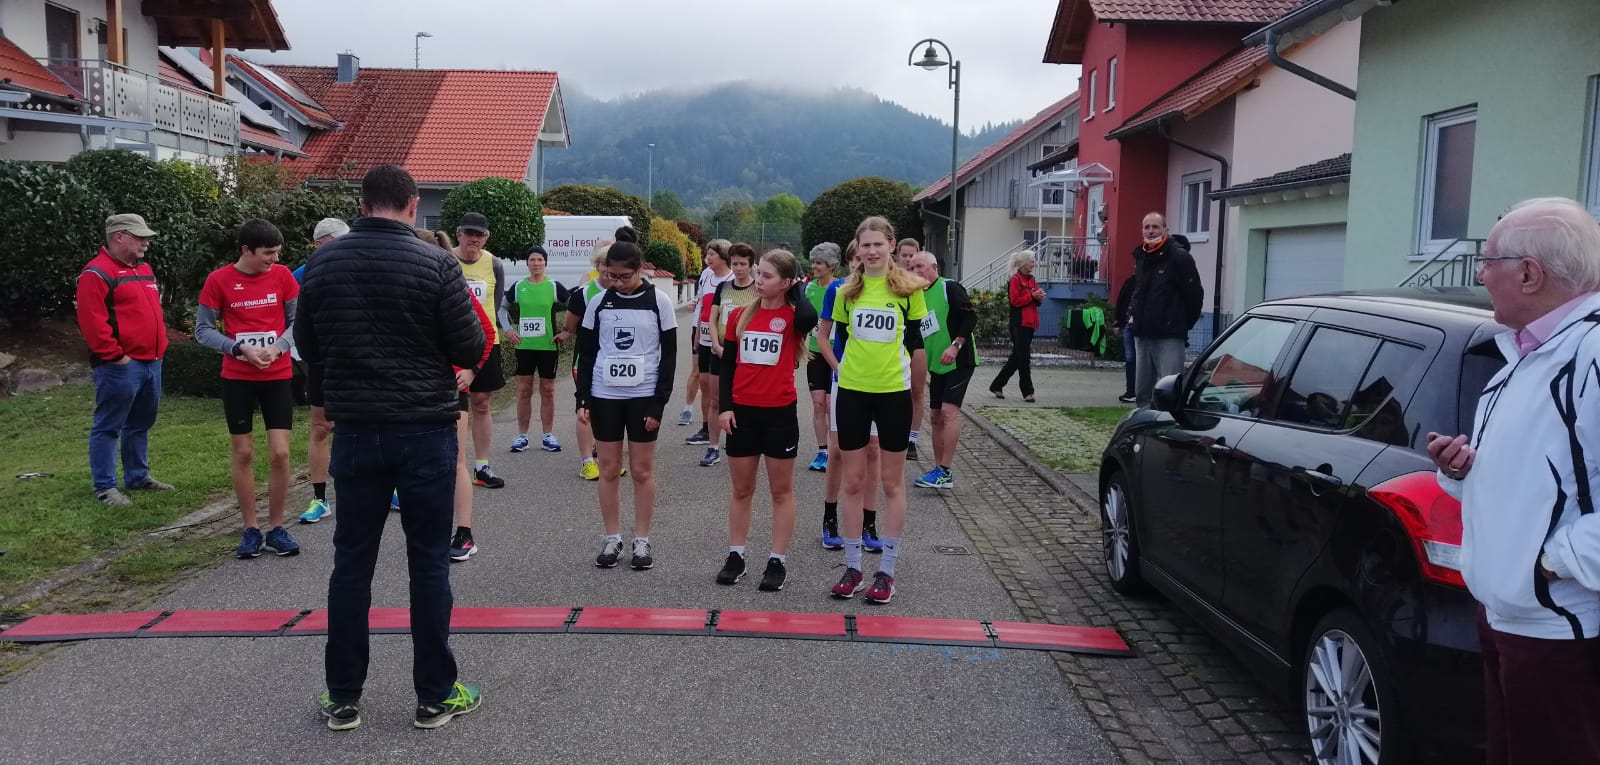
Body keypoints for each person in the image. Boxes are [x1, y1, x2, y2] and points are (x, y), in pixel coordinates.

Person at [297, 165, 485, 731]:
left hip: (357, 428)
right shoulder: (437, 263)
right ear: (412, 204)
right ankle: (435, 695)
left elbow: (308, 344)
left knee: (352, 563)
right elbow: (468, 344)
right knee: (428, 562)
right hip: (425, 426)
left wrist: (333, 392)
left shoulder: (323, 263)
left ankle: (343, 695)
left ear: (361, 204)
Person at [1426, 197, 1600, 764]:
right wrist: (1460, 472)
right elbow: (1540, 478)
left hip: (1559, 629)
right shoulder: (1525, 356)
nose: (1480, 274)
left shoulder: (1591, 354)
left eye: (1488, 260)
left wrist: (1551, 561)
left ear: (1529, 273)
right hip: (1508, 613)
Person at [818, 216, 927, 604]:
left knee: (892, 483)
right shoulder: (846, 291)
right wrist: (839, 369)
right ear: (858, 249)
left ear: (891, 245)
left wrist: (918, 391)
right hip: (852, 393)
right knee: (852, 482)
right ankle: (853, 568)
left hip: (893, 394)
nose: (872, 250)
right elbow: (831, 338)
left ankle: (887, 572)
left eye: (878, 244)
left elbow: (916, 344)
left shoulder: (910, 289)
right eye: (865, 245)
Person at [195, 218, 301, 558]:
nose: (274, 259)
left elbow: (298, 322)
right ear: (246, 250)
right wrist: (238, 348)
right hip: (238, 378)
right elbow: (202, 330)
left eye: (277, 252)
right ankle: (251, 529)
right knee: (243, 453)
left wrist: (278, 348)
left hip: (277, 375)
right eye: (268, 253)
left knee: (280, 453)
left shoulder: (283, 277)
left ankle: (277, 527)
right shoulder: (219, 280)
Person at [714, 249, 818, 591]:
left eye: (768, 276)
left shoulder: (794, 316)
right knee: (742, 489)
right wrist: (725, 407)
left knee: (780, 491)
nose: (758, 280)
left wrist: (798, 287)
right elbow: (727, 364)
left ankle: (777, 560)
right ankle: (736, 555)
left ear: (786, 282)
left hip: (779, 414)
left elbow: (810, 316)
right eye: (758, 273)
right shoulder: (740, 315)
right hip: (742, 413)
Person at [576, 240, 678, 570]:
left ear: (639, 269)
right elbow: (586, 353)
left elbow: (669, 356)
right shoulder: (598, 302)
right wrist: (582, 397)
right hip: (605, 394)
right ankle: (612, 538)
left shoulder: (659, 301)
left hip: (643, 395)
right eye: (611, 276)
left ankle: (642, 541)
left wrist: (659, 403)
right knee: (608, 468)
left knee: (641, 470)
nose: (617, 282)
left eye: (624, 276)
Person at [76, 213, 173, 507]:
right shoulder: (96, 273)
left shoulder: (144, 269)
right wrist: (116, 357)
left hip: (152, 361)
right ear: (119, 236)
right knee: (109, 425)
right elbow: (92, 323)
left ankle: (137, 476)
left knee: (140, 423)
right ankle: (105, 487)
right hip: (120, 366)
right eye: (139, 237)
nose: (146, 243)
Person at [417, 228, 497, 563]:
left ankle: (464, 533)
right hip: (412, 390)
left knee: (455, 461)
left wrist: (472, 370)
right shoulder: (400, 290)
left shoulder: (455, 290)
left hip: (450, 389)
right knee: (419, 464)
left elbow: (487, 332)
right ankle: (427, 532)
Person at [295, 218, 349, 524]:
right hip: (319, 361)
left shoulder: (357, 267)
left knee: (368, 425)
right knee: (320, 427)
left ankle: (388, 488)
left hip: (356, 360)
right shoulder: (301, 275)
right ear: (318, 244)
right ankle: (319, 499)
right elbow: (293, 320)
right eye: (336, 241)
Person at [908, 251, 976, 490]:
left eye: (919, 266)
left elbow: (970, 318)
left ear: (934, 267)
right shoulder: (916, 295)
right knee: (935, 416)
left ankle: (945, 471)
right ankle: (938, 470)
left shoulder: (949, 287)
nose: (915, 271)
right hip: (936, 364)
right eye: (911, 267)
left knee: (948, 412)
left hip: (959, 360)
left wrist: (955, 346)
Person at [453, 211, 509, 489]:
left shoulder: (494, 264)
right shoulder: (447, 259)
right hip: (454, 343)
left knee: (482, 403)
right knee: (453, 407)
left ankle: (482, 466)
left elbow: (494, 304)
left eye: (479, 235)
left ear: (486, 238)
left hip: (486, 342)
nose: (474, 239)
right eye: (469, 233)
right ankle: (454, 467)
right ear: (459, 234)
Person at [1129, 212, 1203, 408]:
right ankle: (1145, 423)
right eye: (1147, 227)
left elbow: (1194, 295)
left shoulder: (1179, 257)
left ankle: (1169, 422)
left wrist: (1181, 323)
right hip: (1142, 334)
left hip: (1169, 335)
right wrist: (1132, 315)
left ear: (1165, 230)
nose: (1151, 231)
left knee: (1169, 390)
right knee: (1142, 392)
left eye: (1155, 227)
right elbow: (1138, 291)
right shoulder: (1141, 256)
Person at [560, 247, 621, 481]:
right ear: (597, 266)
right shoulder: (583, 294)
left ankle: (606, 459)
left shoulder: (624, 292)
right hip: (586, 360)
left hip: (613, 361)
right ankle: (587, 462)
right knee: (585, 408)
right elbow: (569, 324)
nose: (608, 270)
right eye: (604, 264)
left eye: (611, 265)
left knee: (608, 410)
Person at [501, 245, 570, 454]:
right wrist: (508, 330)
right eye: (532, 260)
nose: (536, 263)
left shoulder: (554, 286)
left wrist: (567, 331)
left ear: (545, 262)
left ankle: (548, 435)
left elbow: (574, 307)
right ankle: (522, 436)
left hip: (548, 347)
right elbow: (502, 308)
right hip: (525, 347)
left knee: (548, 390)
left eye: (540, 259)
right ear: (527, 263)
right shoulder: (518, 286)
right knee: (524, 390)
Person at [699, 243, 759, 467]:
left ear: (751, 265)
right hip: (721, 351)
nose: (739, 268)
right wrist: (715, 345)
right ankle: (713, 447)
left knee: (743, 401)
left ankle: (742, 445)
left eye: (743, 264)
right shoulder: (723, 288)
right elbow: (712, 318)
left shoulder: (757, 290)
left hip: (747, 355)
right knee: (716, 400)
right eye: (735, 264)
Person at [686, 239, 734, 445]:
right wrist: (697, 334)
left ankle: (732, 430)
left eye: (712, 254)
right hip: (705, 337)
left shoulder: (733, 279)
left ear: (723, 257)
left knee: (727, 387)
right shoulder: (706, 275)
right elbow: (701, 306)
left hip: (724, 340)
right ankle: (706, 428)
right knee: (705, 384)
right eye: (707, 253)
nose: (707, 258)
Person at [802, 242, 843, 472]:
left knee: (830, 405)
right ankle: (822, 451)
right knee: (818, 404)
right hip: (815, 352)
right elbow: (803, 321)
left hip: (836, 353)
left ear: (831, 265)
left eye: (819, 263)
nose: (814, 266)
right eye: (814, 262)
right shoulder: (809, 289)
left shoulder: (841, 288)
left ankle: (837, 450)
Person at [988, 250, 1045, 402]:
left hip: (1030, 323)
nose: (1034, 264)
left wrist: (1038, 297)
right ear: (1023, 264)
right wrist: (1032, 296)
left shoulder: (1032, 280)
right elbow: (1015, 301)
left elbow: (1034, 301)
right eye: (1032, 261)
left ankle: (997, 385)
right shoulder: (1015, 280)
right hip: (1019, 324)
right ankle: (1028, 392)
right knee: (1024, 358)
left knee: (1017, 357)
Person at [1113, 265, 1138, 404]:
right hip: (1128, 325)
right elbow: (1121, 301)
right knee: (1130, 358)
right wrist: (1118, 322)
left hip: (1142, 326)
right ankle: (1131, 391)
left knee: (1141, 359)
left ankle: (1140, 391)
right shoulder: (1130, 281)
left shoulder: (1149, 282)